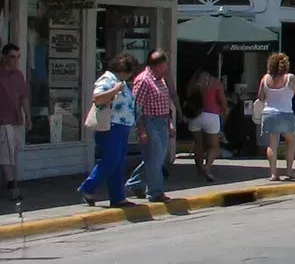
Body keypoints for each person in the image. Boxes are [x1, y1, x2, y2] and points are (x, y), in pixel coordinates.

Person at [79, 53, 139, 207]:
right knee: (110, 159)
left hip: (122, 126)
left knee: (118, 163)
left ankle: (118, 197)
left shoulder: (122, 82)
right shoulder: (108, 79)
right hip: (110, 126)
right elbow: (97, 98)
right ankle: (88, 187)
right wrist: (115, 90)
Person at [126, 50, 179, 203]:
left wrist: (169, 123)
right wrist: (141, 129)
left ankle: (135, 183)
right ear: (158, 65)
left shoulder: (160, 80)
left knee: (155, 158)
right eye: (165, 65)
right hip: (150, 122)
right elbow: (136, 107)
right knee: (154, 159)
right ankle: (155, 192)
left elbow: (165, 103)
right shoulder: (143, 80)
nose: (166, 68)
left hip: (162, 121)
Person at [258, 52, 295, 181]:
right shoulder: (290, 78)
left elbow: (260, 97)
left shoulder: (265, 78)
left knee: (272, 144)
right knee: (290, 141)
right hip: (286, 113)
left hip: (269, 113)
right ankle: (289, 170)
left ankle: (273, 173)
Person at [187, 68, 228, 182]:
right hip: (211, 115)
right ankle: (207, 168)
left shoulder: (193, 82)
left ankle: (200, 171)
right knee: (214, 146)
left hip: (195, 116)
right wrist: (224, 111)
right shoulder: (215, 82)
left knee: (198, 145)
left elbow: (188, 96)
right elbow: (222, 99)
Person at [0, 44, 28, 202]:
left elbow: (23, 97)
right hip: (3, 120)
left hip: (16, 118)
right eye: (12, 56)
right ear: (4, 56)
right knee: (7, 154)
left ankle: (10, 183)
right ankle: (12, 187)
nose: (15, 60)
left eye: (18, 57)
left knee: (13, 152)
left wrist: (28, 116)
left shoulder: (18, 75)